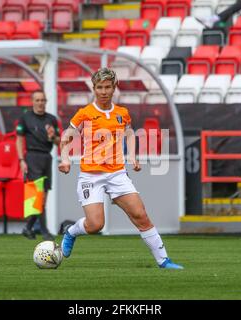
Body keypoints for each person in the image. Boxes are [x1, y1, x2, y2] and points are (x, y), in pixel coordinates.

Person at [58, 68, 184, 269]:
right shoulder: (85, 113)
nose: (103, 91)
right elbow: (67, 137)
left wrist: (132, 157)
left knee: (140, 215)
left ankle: (164, 260)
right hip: (91, 176)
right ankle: (72, 232)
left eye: (108, 87)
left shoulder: (122, 113)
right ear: (94, 88)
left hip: (117, 173)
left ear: (114, 88)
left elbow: (130, 133)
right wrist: (65, 159)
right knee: (96, 225)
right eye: (99, 87)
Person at [16, 90, 60, 240]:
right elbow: (19, 139)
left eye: (43, 100)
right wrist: (21, 160)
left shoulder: (51, 119)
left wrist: (52, 136)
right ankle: (45, 231)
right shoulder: (25, 118)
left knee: (43, 198)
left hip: (47, 158)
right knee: (37, 196)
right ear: (32, 101)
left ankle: (27, 228)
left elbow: (58, 142)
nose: (40, 103)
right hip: (32, 157)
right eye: (38, 100)